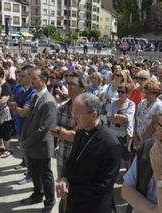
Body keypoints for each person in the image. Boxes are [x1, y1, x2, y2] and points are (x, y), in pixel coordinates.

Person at [56, 93, 122, 213]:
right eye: (73, 113)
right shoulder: (80, 132)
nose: (73, 117)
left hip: (93, 207)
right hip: (74, 203)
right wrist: (64, 178)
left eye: (77, 114)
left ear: (94, 115)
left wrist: (71, 189)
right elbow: (71, 161)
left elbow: (103, 187)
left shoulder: (111, 143)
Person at [49, 69, 88, 213]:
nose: (68, 86)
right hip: (63, 158)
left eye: (72, 84)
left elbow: (77, 136)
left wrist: (61, 132)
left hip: (81, 162)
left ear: (82, 87)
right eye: (67, 83)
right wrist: (67, 133)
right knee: (63, 195)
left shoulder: (88, 108)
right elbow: (52, 129)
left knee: (77, 197)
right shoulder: (63, 107)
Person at [20, 67, 57, 213]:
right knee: (34, 173)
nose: (31, 80)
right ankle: (37, 194)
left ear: (43, 81)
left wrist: (25, 143)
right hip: (31, 144)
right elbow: (28, 119)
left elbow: (44, 129)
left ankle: (49, 203)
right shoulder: (35, 96)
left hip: (41, 147)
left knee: (45, 176)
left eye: (34, 78)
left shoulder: (48, 101)